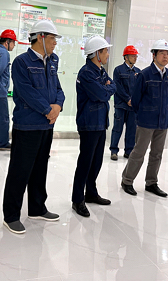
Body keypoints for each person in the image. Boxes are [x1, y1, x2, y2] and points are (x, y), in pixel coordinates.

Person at [2, 19, 65, 234]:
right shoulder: (22, 62)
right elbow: (26, 91)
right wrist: (48, 110)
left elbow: (58, 88)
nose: (55, 42)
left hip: (46, 126)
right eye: (52, 38)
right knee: (20, 170)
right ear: (40, 37)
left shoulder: (53, 60)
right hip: (27, 124)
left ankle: (37, 208)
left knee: (40, 168)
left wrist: (58, 106)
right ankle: (11, 215)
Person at [121, 39, 168, 198]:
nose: (165, 56)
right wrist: (144, 114)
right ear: (154, 55)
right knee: (139, 152)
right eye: (162, 53)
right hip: (146, 121)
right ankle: (127, 180)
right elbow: (135, 100)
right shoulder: (144, 74)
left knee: (157, 154)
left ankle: (151, 182)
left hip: (162, 121)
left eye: (167, 54)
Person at [72, 35, 116, 217]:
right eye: (105, 51)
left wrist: (107, 87)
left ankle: (90, 193)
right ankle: (77, 199)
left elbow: (113, 86)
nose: (107, 54)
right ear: (97, 53)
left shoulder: (101, 71)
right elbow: (102, 94)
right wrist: (106, 88)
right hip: (89, 123)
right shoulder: (86, 73)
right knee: (85, 162)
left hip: (100, 122)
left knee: (96, 161)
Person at [109, 45, 140, 161]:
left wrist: (135, 101)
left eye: (136, 56)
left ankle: (128, 151)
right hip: (121, 105)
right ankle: (114, 150)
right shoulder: (118, 70)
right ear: (126, 57)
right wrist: (127, 99)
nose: (135, 58)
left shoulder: (138, 72)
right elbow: (118, 87)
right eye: (133, 56)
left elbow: (139, 89)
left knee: (132, 130)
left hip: (133, 107)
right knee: (117, 128)